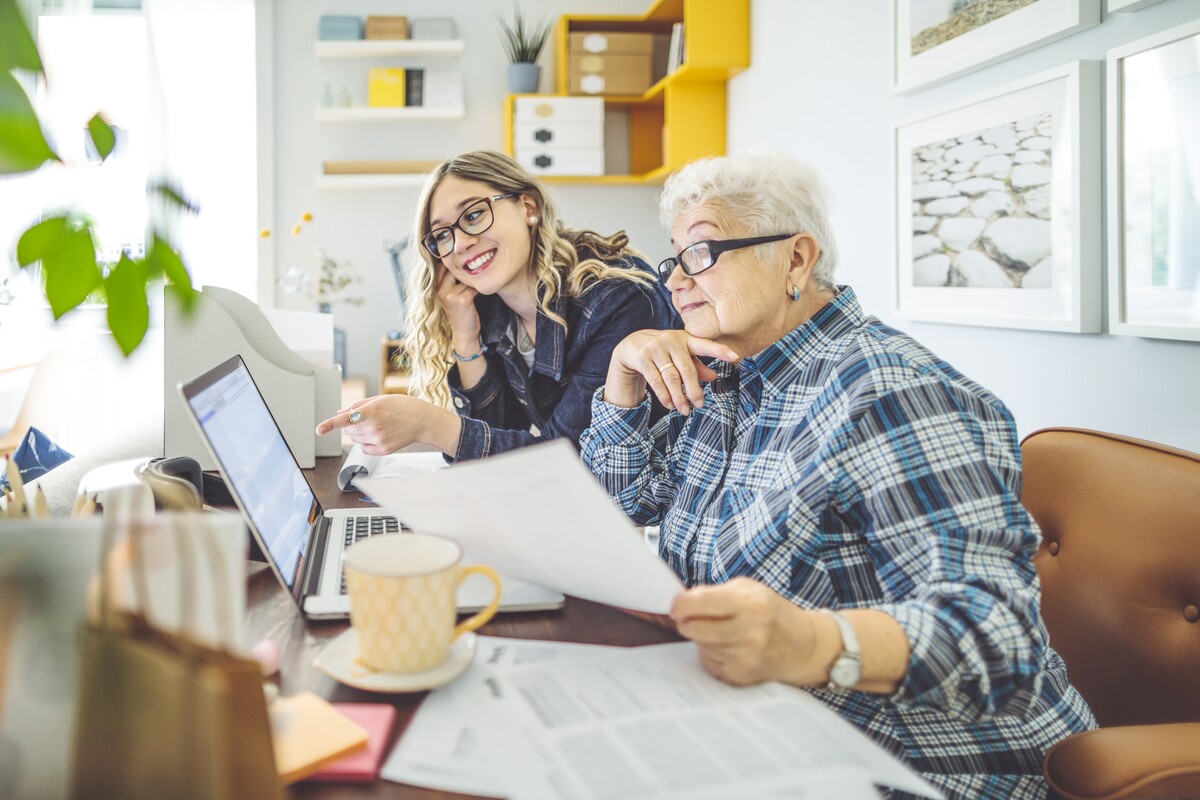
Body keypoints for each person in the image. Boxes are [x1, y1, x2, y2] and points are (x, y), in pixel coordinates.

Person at [580, 151, 1095, 799]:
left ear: (796, 259)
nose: (678, 282)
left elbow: (999, 635)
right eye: (674, 260)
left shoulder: (888, 391)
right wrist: (621, 383)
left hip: (931, 768)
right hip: (774, 729)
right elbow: (619, 505)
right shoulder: (731, 374)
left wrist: (812, 642)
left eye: (703, 252)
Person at [316, 151, 675, 461]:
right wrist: (465, 335)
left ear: (528, 207)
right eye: (442, 235)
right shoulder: (489, 305)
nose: (459, 244)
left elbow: (572, 459)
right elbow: (500, 438)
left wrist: (428, 424)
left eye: (473, 215)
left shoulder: (616, 299)